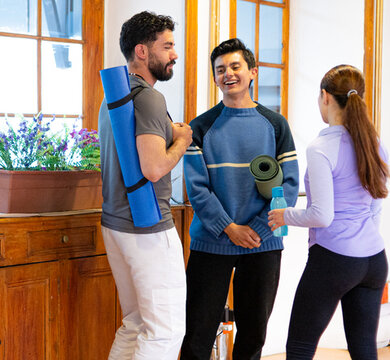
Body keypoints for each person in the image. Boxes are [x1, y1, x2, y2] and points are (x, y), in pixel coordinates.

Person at [181, 38, 300, 359]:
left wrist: (259, 230)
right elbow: (197, 188)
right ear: (215, 77)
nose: (228, 74)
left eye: (235, 66)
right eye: (220, 69)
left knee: (253, 336)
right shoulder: (200, 127)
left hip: (263, 245)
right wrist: (229, 227)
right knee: (196, 335)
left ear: (252, 73)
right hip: (212, 241)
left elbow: (288, 185)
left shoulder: (275, 124)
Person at [268, 64, 388, 360]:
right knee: (363, 349)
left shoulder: (321, 147)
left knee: (299, 347)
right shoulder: (373, 143)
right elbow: (376, 203)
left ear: (325, 97)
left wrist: (285, 216)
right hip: (373, 260)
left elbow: (322, 215)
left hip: (334, 260)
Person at [98, 11, 193, 360]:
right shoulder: (149, 98)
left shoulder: (114, 97)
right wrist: (181, 139)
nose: (174, 54)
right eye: (167, 46)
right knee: (165, 331)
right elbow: (153, 168)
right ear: (142, 51)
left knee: (136, 322)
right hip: (148, 227)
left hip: (116, 224)